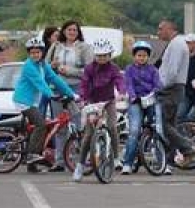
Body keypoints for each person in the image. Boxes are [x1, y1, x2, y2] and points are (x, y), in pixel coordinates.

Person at [12, 37, 77, 172]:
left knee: (39, 127)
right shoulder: (28, 66)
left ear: (42, 52)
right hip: (23, 101)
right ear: (29, 54)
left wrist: (70, 93)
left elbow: (55, 79)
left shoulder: (43, 65)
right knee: (41, 124)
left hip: (32, 101)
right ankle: (31, 155)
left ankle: (32, 165)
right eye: (32, 53)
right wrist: (51, 95)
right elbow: (39, 83)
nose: (35, 55)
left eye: (38, 52)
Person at [72, 39, 126, 183]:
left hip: (108, 101)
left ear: (110, 55)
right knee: (89, 134)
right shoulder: (89, 68)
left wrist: (121, 92)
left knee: (112, 126)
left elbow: (119, 80)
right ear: (95, 56)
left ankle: (115, 157)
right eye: (99, 55)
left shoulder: (113, 68)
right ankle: (80, 165)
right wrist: (82, 98)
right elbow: (84, 84)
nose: (101, 58)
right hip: (92, 102)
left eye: (105, 55)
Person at [44, 20, 93, 171]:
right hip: (57, 87)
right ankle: (59, 161)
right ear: (64, 31)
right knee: (60, 125)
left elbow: (90, 70)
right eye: (69, 30)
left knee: (79, 123)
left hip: (76, 88)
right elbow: (45, 67)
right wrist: (52, 66)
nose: (72, 32)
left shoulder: (84, 48)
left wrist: (70, 71)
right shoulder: (55, 46)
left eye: (75, 30)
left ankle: (82, 159)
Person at [156, 20, 195, 167]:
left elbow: (172, 72)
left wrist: (159, 87)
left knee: (165, 125)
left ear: (170, 28)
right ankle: (170, 158)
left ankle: (187, 148)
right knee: (171, 124)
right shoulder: (175, 44)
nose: (158, 32)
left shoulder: (177, 44)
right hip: (173, 87)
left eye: (161, 29)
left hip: (171, 88)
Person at [121, 41, 163, 175]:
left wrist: (152, 94)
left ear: (148, 57)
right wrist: (134, 97)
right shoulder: (129, 69)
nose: (141, 58)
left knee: (157, 130)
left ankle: (162, 162)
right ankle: (127, 163)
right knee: (134, 131)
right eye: (139, 55)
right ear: (134, 56)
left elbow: (158, 85)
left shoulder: (153, 70)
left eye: (144, 55)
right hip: (135, 102)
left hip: (150, 101)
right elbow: (128, 84)